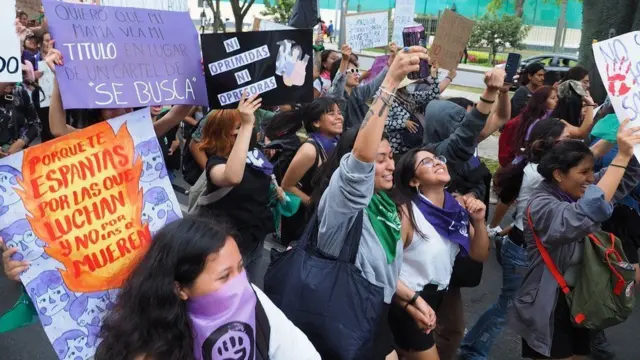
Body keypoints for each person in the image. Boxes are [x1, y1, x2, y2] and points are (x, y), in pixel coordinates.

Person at [309, 46, 431, 359]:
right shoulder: (344, 205)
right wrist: (389, 81)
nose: (391, 166)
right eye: (381, 160)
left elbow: (382, 271)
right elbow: (360, 159)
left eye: (391, 157)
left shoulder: (387, 204)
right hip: (340, 320)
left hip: (374, 314)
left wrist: (409, 300)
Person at [94, 216, 321, 360]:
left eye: (240, 268)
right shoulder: (145, 348)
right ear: (180, 289)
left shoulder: (255, 301)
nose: (239, 284)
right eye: (224, 276)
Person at [512, 123, 640, 359]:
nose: (592, 179)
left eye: (593, 171)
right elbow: (585, 213)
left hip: (580, 297)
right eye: (584, 172)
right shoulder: (541, 205)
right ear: (559, 174)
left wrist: (632, 151)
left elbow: (624, 178)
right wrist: (620, 155)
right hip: (549, 302)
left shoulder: (577, 190)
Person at [459, 118, 570, 360]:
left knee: (511, 306)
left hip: (522, 243)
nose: (572, 143)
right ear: (552, 142)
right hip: (523, 250)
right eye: (567, 139)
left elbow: (526, 211)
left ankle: (471, 347)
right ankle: (472, 351)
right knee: (507, 308)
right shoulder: (544, 174)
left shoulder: (536, 167)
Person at [422, 68, 506, 360]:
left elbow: (481, 254)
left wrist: (479, 218)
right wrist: (489, 94)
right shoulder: (430, 157)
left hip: (453, 263)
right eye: (459, 120)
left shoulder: (466, 149)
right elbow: (465, 136)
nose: (467, 127)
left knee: (453, 329)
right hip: (423, 273)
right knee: (420, 330)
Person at [391, 148, 489, 360]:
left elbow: (479, 255)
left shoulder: (456, 209)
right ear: (414, 181)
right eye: (426, 162)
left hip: (436, 297)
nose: (437, 162)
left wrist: (479, 221)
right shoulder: (407, 213)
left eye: (437, 159)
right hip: (407, 301)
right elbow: (383, 267)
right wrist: (411, 302)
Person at [200, 93, 282, 283]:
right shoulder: (216, 163)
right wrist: (245, 125)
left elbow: (264, 174)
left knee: (249, 290)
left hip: (255, 238)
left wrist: (275, 189)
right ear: (225, 134)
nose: (251, 128)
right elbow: (233, 177)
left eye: (250, 125)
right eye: (239, 127)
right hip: (227, 245)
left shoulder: (252, 153)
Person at [44, 48, 192, 139]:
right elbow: (58, 129)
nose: (123, 110)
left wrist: (195, 80)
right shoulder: (90, 137)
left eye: (127, 103)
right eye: (112, 106)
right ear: (98, 111)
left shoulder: (138, 135)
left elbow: (174, 116)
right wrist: (60, 77)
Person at [280, 98, 343, 245]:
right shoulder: (309, 150)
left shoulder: (338, 144)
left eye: (339, 113)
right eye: (331, 114)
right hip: (304, 223)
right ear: (316, 122)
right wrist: (315, 205)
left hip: (324, 221)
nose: (339, 117)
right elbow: (287, 186)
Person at [328, 44, 395, 129]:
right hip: (343, 139)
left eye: (357, 70)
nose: (356, 73)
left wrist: (389, 65)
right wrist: (344, 60)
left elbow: (374, 85)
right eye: (352, 70)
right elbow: (339, 82)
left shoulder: (357, 92)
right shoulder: (334, 94)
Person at [498, 86, 558, 168]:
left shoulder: (555, 119)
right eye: (553, 98)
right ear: (542, 101)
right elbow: (505, 151)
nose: (557, 100)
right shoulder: (519, 122)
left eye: (557, 97)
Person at [0, 82, 41, 157]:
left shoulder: (19, 92)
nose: (13, 86)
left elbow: (36, 123)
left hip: (18, 156)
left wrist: (21, 142)